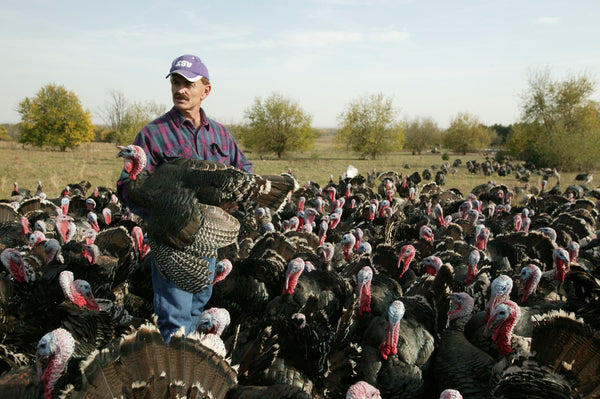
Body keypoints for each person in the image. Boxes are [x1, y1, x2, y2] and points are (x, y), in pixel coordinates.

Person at [117, 54, 252, 342]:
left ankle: (188, 374)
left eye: (188, 84)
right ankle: (171, 379)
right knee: (175, 318)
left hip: (208, 240)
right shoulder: (153, 134)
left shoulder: (220, 134)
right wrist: (164, 211)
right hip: (173, 242)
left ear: (206, 90)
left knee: (197, 309)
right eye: (176, 82)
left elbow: (245, 171)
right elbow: (126, 186)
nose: (180, 89)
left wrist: (230, 204)